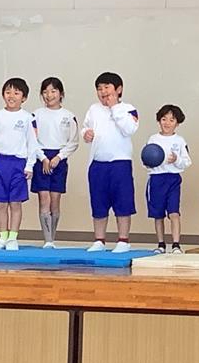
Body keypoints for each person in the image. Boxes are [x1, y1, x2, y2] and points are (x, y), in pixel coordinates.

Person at [82, 72, 139, 253]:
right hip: (98, 163)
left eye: (107, 87)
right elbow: (85, 127)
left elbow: (129, 129)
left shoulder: (128, 109)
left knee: (123, 202)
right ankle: (99, 240)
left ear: (119, 89)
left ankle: (123, 240)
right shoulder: (94, 109)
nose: (103, 92)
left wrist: (114, 107)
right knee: (98, 202)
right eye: (99, 88)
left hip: (120, 164)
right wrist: (86, 134)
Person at [0, 78, 38, 251]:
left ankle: (13, 238)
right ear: (3, 95)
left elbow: (32, 143)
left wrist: (30, 165)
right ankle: (2, 237)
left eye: (16, 93)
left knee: (15, 203)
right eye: (8, 92)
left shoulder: (28, 118)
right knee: (1, 203)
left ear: (24, 97)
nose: (11, 96)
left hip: (18, 164)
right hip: (0, 162)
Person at [32, 77, 79, 248]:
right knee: (43, 198)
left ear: (61, 94)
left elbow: (74, 141)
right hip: (41, 158)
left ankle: (52, 237)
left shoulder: (68, 116)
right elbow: (31, 139)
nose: (49, 95)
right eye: (45, 92)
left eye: (53, 91)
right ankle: (47, 240)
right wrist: (43, 158)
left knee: (55, 199)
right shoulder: (36, 115)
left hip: (59, 159)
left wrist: (59, 157)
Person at [145, 105, 192, 254]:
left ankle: (176, 244)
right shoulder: (153, 139)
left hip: (173, 180)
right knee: (158, 215)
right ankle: (161, 244)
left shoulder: (180, 141)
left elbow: (187, 162)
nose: (167, 123)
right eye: (164, 119)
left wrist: (176, 160)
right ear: (159, 121)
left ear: (177, 123)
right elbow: (146, 160)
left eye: (172, 120)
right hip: (156, 180)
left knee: (174, 212)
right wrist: (150, 162)